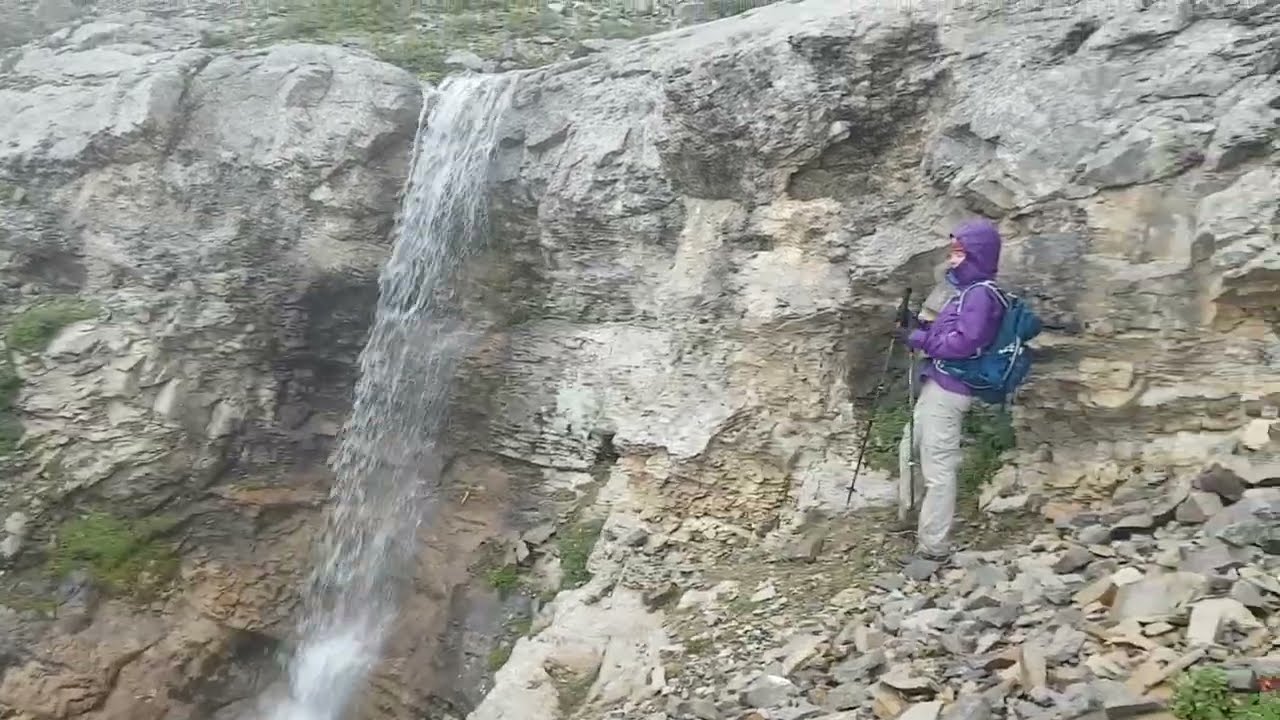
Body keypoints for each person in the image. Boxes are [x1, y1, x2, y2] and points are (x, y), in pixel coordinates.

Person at [895, 218, 1006, 563]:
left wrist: (917, 339)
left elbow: (964, 343)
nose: (953, 258)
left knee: (938, 468)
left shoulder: (981, 294)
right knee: (909, 448)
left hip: (950, 389)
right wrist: (917, 327)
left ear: (978, 254)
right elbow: (948, 334)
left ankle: (933, 547)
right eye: (953, 251)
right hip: (938, 384)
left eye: (960, 252)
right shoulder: (968, 293)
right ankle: (911, 518)